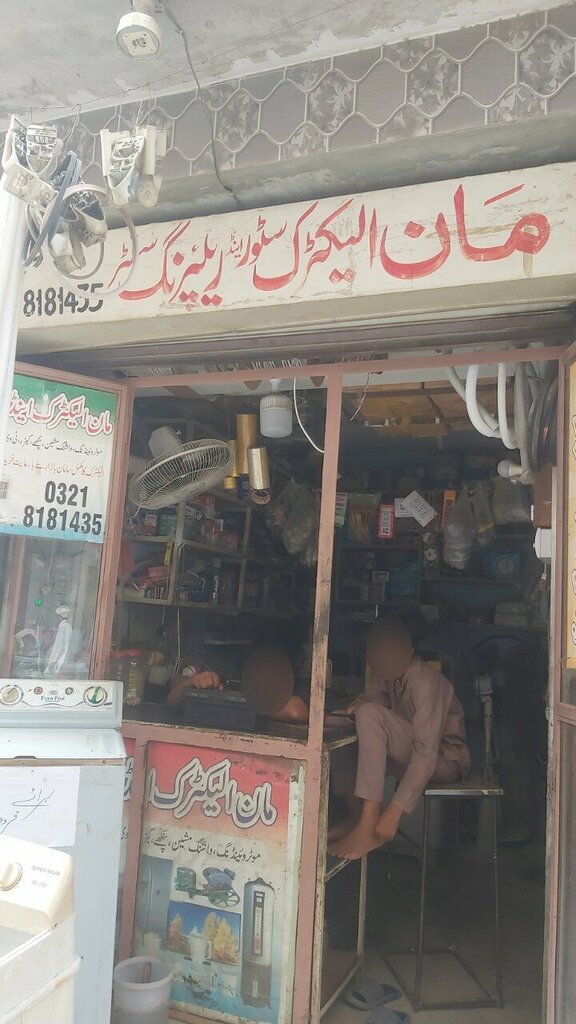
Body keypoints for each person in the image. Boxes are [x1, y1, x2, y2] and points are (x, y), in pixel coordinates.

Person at [329, 617, 471, 861]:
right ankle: (356, 817)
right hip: (410, 753)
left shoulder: (424, 681)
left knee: (369, 715)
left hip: (443, 761)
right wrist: (355, 706)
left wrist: (395, 811)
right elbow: (372, 701)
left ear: (410, 652)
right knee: (341, 727)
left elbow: (426, 751)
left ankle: (368, 821)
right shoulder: (389, 675)